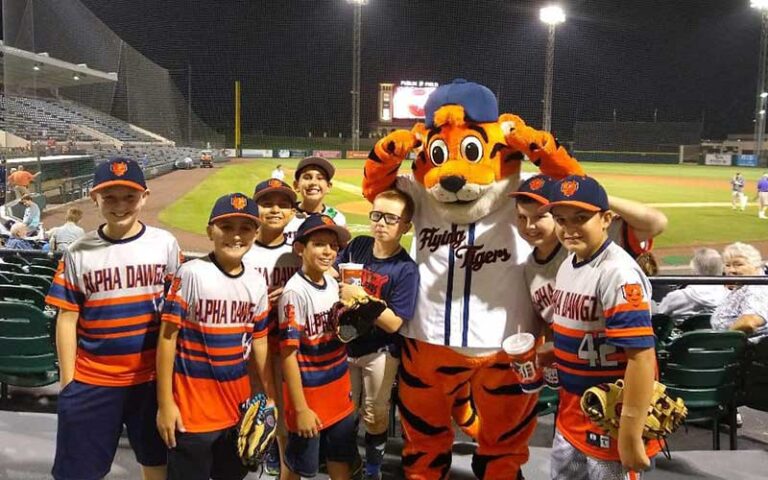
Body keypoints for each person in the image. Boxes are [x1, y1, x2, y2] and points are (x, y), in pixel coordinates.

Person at [45, 158, 182, 480]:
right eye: (110, 197)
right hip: (93, 379)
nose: (120, 206)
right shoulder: (78, 250)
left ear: (144, 197)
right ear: (95, 198)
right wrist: (68, 381)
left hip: (151, 380)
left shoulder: (165, 244)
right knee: (79, 471)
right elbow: (67, 317)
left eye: (129, 197)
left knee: (157, 461)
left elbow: (174, 315)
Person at [541, 175, 660, 478]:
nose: (569, 228)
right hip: (572, 415)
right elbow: (590, 333)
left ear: (606, 219)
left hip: (611, 420)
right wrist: (557, 351)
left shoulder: (617, 273)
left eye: (581, 218)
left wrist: (631, 433)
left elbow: (642, 357)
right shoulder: (570, 262)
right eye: (560, 219)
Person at [156, 193, 275, 480]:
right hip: (191, 411)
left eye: (245, 228)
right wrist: (165, 404)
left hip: (237, 410)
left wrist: (269, 395)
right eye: (226, 227)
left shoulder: (257, 282)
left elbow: (258, 342)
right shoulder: (191, 274)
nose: (236, 236)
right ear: (210, 231)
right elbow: (167, 338)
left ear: (256, 234)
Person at [335, 189, 419, 480]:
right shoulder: (358, 246)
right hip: (347, 344)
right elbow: (336, 273)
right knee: (345, 411)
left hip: (380, 352)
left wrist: (361, 299)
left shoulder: (406, 269)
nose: (381, 223)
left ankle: (373, 468)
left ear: (405, 226)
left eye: (391, 218)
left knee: (375, 413)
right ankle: (347, 462)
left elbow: (395, 323)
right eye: (377, 215)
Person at [278, 214, 357, 480]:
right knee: (298, 468)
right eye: (319, 244)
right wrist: (300, 409)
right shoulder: (294, 292)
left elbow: (339, 335)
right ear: (301, 248)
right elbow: (288, 355)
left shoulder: (334, 284)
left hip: (338, 393)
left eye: (333, 246)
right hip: (309, 398)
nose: (328, 251)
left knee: (340, 461)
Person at [242, 178, 302, 478]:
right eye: (267, 203)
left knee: (287, 420)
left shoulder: (300, 253)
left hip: (291, 348)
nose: (275, 209)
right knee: (259, 412)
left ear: (293, 212)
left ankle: (284, 469)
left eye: (283, 204)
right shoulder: (242, 250)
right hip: (253, 348)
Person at [711, 242, 768, 342]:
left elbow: (749, 322)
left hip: (742, 352)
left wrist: (721, 341)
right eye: (727, 265)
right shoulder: (745, 285)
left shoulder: (756, 288)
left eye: (738, 265)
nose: (731, 270)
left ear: (755, 265)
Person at [284, 156, 347, 244]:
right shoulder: (284, 215)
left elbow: (342, 252)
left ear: (328, 187)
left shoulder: (336, 218)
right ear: (296, 185)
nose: (313, 182)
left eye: (320, 178)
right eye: (307, 177)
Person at [657, 248, 728, 321]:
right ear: (721, 268)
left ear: (693, 269)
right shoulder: (730, 297)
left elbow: (657, 320)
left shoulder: (676, 297)